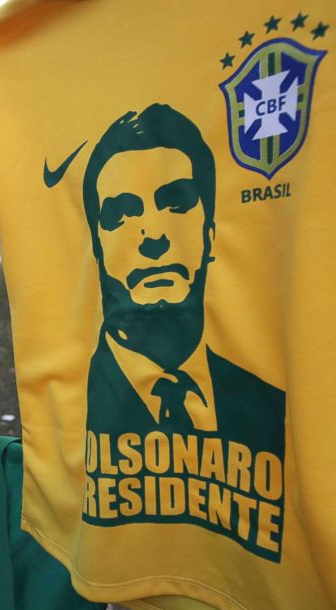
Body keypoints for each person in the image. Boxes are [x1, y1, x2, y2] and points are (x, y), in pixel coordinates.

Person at [80, 103, 285, 445]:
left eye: (176, 203)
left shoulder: (272, 403)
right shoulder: (70, 397)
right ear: (96, 249)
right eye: (123, 213)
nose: (154, 237)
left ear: (211, 235)